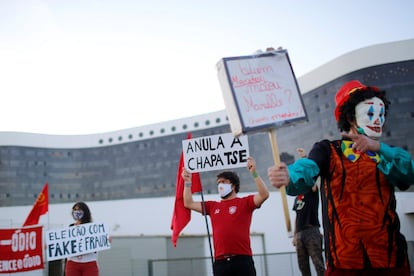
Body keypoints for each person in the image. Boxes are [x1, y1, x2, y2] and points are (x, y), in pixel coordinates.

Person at [268, 80, 413, 275]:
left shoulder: (385, 155)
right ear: (351, 117)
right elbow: (308, 167)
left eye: (381, 114)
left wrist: (379, 148)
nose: (378, 120)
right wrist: (290, 175)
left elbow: (408, 172)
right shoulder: (327, 150)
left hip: (390, 263)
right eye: (370, 113)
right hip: (344, 264)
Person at [182, 156, 269, 276]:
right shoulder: (212, 206)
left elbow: (264, 194)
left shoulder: (245, 202)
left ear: (233, 186)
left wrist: (254, 173)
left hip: (242, 260)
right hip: (220, 263)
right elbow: (188, 203)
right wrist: (187, 183)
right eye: (218, 183)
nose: (220, 185)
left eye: (223, 182)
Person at [292, 148, 325, 276]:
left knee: (318, 264)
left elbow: (312, 176)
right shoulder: (297, 196)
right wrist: (295, 235)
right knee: (303, 266)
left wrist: (304, 158)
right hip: (300, 233)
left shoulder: (312, 190)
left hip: (312, 230)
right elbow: (297, 216)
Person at [65, 201, 99, 276]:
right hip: (73, 263)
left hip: (89, 262)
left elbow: (97, 242)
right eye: (75, 210)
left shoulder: (92, 228)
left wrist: (106, 240)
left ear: (85, 212)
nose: (77, 212)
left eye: (79, 210)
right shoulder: (70, 227)